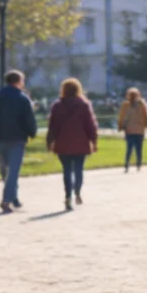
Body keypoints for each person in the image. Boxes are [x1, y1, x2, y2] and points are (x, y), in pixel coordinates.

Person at [0, 69, 37, 213]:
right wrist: (32, 132)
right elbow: (28, 119)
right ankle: (7, 200)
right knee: (13, 171)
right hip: (17, 138)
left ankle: (13, 198)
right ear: (19, 81)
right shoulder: (22, 98)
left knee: (5, 169)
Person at [46, 77, 98, 210]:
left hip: (63, 143)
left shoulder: (57, 106)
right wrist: (93, 141)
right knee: (79, 169)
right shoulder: (84, 105)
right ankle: (77, 191)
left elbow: (53, 126)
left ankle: (68, 195)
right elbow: (90, 125)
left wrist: (50, 141)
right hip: (80, 142)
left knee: (67, 171)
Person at [117, 87, 147, 172]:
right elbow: (146, 116)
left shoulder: (127, 105)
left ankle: (127, 164)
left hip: (130, 130)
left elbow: (121, 117)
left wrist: (120, 126)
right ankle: (138, 164)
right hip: (138, 130)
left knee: (129, 148)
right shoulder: (141, 104)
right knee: (138, 149)